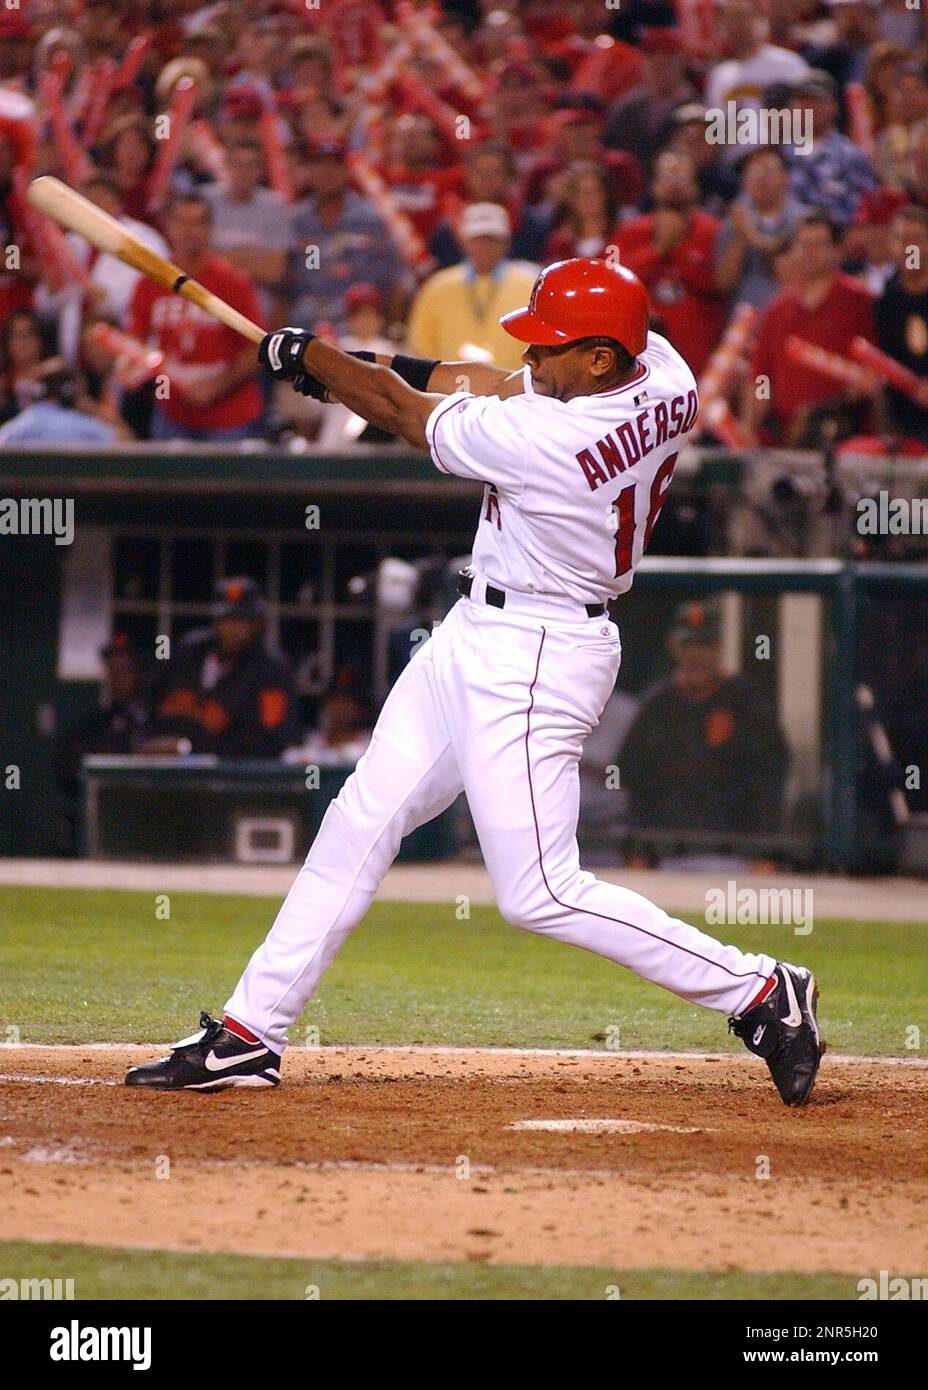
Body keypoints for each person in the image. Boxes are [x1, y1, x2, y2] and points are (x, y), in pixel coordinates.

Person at [126, 256, 822, 1109]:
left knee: (538, 892)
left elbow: (406, 415)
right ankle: (250, 1032)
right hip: (479, 630)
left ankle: (762, 990)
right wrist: (340, 365)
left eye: (552, 349)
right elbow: (483, 383)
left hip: (537, 651)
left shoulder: (552, 441)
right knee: (362, 817)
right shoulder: (663, 371)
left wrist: (323, 368)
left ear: (601, 358)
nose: (533, 362)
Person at [621, 601, 788, 843]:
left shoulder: (747, 702)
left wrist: (767, 850)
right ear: (674, 647)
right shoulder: (657, 703)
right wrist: (638, 846)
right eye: (688, 644)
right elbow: (631, 776)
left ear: (720, 647)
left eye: (706, 644)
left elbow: (772, 777)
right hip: (665, 849)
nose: (696, 654)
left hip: (735, 849)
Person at [129, 194, 265, 442]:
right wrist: (133, 368)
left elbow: (257, 349)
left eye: (197, 223)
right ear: (168, 226)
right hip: (172, 408)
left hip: (229, 414)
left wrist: (215, 385)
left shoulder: (232, 282)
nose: (189, 231)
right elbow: (136, 341)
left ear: (209, 229)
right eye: (181, 222)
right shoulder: (149, 283)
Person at [744, 212, 876, 445]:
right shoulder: (778, 309)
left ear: (838, 250)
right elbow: (761, 377)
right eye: (803, 245)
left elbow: (873, 369)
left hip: (844, 431)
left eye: (819, 244)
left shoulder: (859, 301)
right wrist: (753, 424)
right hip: (785, 435)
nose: (809, 251)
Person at [147, 577, 299, 759]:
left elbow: (272, 739)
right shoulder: (188, 652)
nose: (234, 629)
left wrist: (191, 749)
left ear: (258, 623)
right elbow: (151, 705)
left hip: (240, 780)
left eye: (243, 620)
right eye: (228, 619)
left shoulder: (271, 669)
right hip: (171, 773)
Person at [616, 152, 726, 375]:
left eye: (682, 178)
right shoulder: (632, 231)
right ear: (654, 186)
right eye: (667, 177)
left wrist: (680, 249)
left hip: (699, 352)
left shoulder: (715, 231)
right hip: (641, 354)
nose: (674, 185)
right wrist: (657, 250)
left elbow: (720, 285)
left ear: (695, 187)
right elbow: (616, 281)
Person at [288, 139, 407, 332]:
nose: (327, 172)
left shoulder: (370, 219)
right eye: (319, 165)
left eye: (335, 165)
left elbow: (395, 280)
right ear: (308, 170)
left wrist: (390, 330)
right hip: (305, 326)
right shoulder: (296, 220)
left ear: (347, 170)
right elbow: (283, 286)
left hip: (357, 325)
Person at [406, 203, 539, 371]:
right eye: (477, 240)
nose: (484, 247)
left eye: (492, 240)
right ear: (464, 241)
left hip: (516, 389)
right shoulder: (438, 287)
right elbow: (419, 346)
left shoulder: (529, 286)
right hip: (449, 390)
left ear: (506, 242)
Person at [54, 632, 150, 853]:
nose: (117, 679)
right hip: (103, 818)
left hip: (145, 819)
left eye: (125, 671)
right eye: (112, 672)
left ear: (140, 673)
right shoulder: (95, 724)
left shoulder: (155, 720)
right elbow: (65, 770)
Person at [715, 148, 808, 309]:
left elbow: (801, 273)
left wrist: (751, 235)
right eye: (753, 171)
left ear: (786, 178)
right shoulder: (734, 222)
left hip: (793, 313)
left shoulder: (805, 220)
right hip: (746, 317)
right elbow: (724, 284)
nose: (761, 178)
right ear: (744, 181)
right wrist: (740, 235)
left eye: (768, 171)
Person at [874, 205, 928, 446]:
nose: (910, 249)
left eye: (916, 240)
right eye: (901, 240)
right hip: (902, 428)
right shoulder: (886, 301)